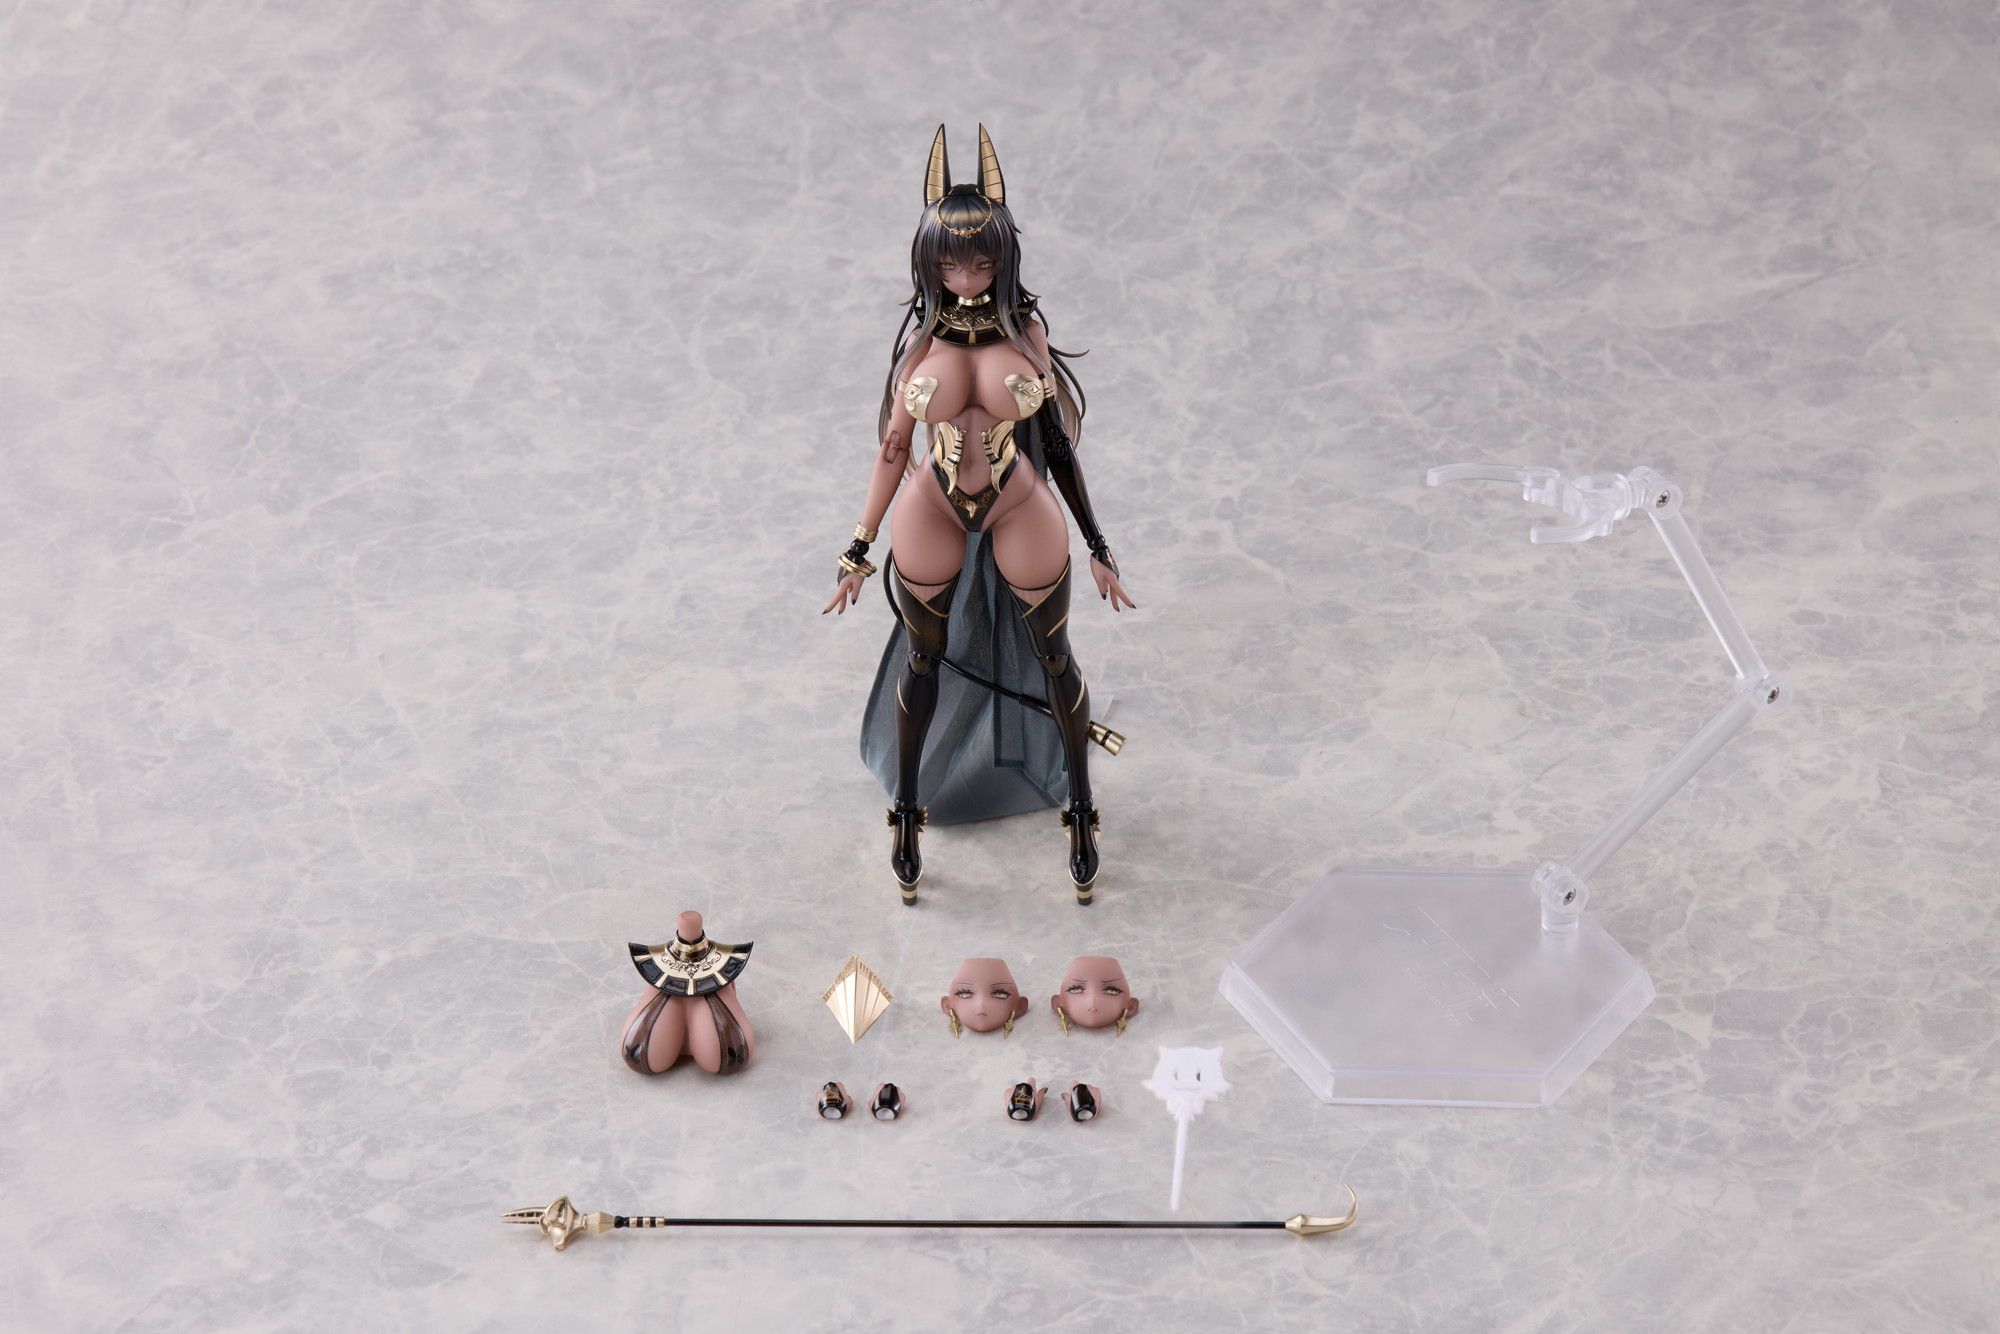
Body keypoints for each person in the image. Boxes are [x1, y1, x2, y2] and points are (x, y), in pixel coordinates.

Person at [823, 124, 1133, 907]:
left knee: (1055, 656)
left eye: (981, 261)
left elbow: (1054, 443)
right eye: (950, 263)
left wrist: (1099, 543)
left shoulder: (1026, 333)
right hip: (932, 500)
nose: (966, 276)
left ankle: (1082, 812)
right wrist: (858, 547)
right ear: (930, 263)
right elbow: (895, 449)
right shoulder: (918, 342)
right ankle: (906, 814)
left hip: (1018, 497)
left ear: (1004, 259)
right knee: (922, 660)